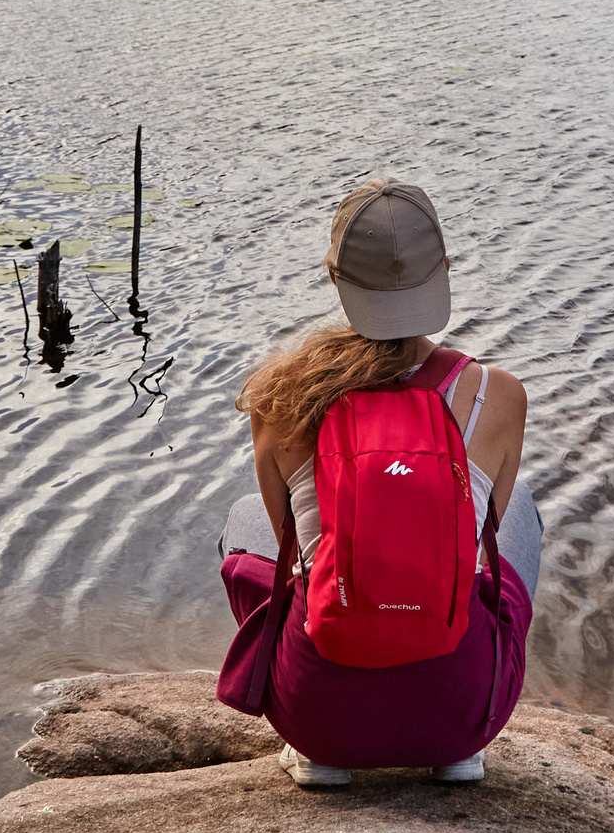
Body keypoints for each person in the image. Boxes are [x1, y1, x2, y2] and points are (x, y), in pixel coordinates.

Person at [218, 177, 541, 788]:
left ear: (336, 277)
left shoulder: (279, 394)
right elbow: (479, 541)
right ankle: (454, 759)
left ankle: (325, 762)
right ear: (443, 270)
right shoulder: (499, 396)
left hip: (315, 716)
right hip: (463, 714)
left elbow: (291, 545)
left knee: (246, 518)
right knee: (515, 508)